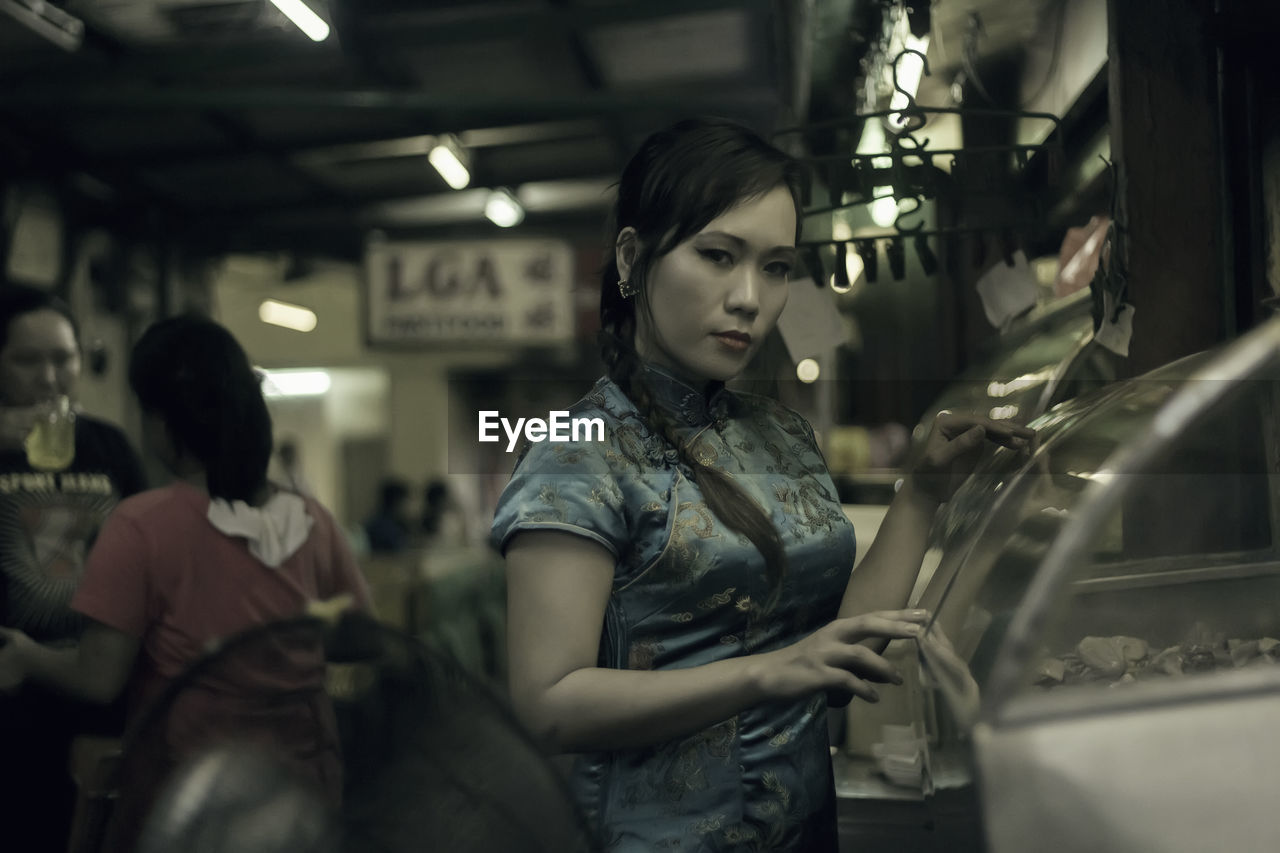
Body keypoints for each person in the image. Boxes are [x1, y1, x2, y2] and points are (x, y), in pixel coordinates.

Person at [490, 118, 1034, 852]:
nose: (749, 296)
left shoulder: (781, 435)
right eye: (718, 255)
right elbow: (549, 702)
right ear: (630, 258)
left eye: (776, 266)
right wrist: (772, 672)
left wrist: (924, 493)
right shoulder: (577, 451)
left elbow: (835, 659)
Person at [0, 314, 372, 850]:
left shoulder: (140, 524)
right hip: (303, 785)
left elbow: (99, 676)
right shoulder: (311, 518)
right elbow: (356, 638)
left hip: (191, 792)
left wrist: (27, 656)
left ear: (161, 423)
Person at [0, 282, 146, 852]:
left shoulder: (107, 446)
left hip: (95, 682)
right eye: (27, 360)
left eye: (64, 359)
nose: (50, 377)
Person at [364, 477, 411, 553]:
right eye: (405, 501)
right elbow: (397, 551)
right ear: (396, 501)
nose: (407, 507)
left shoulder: (392, 522)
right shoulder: (384, 526)